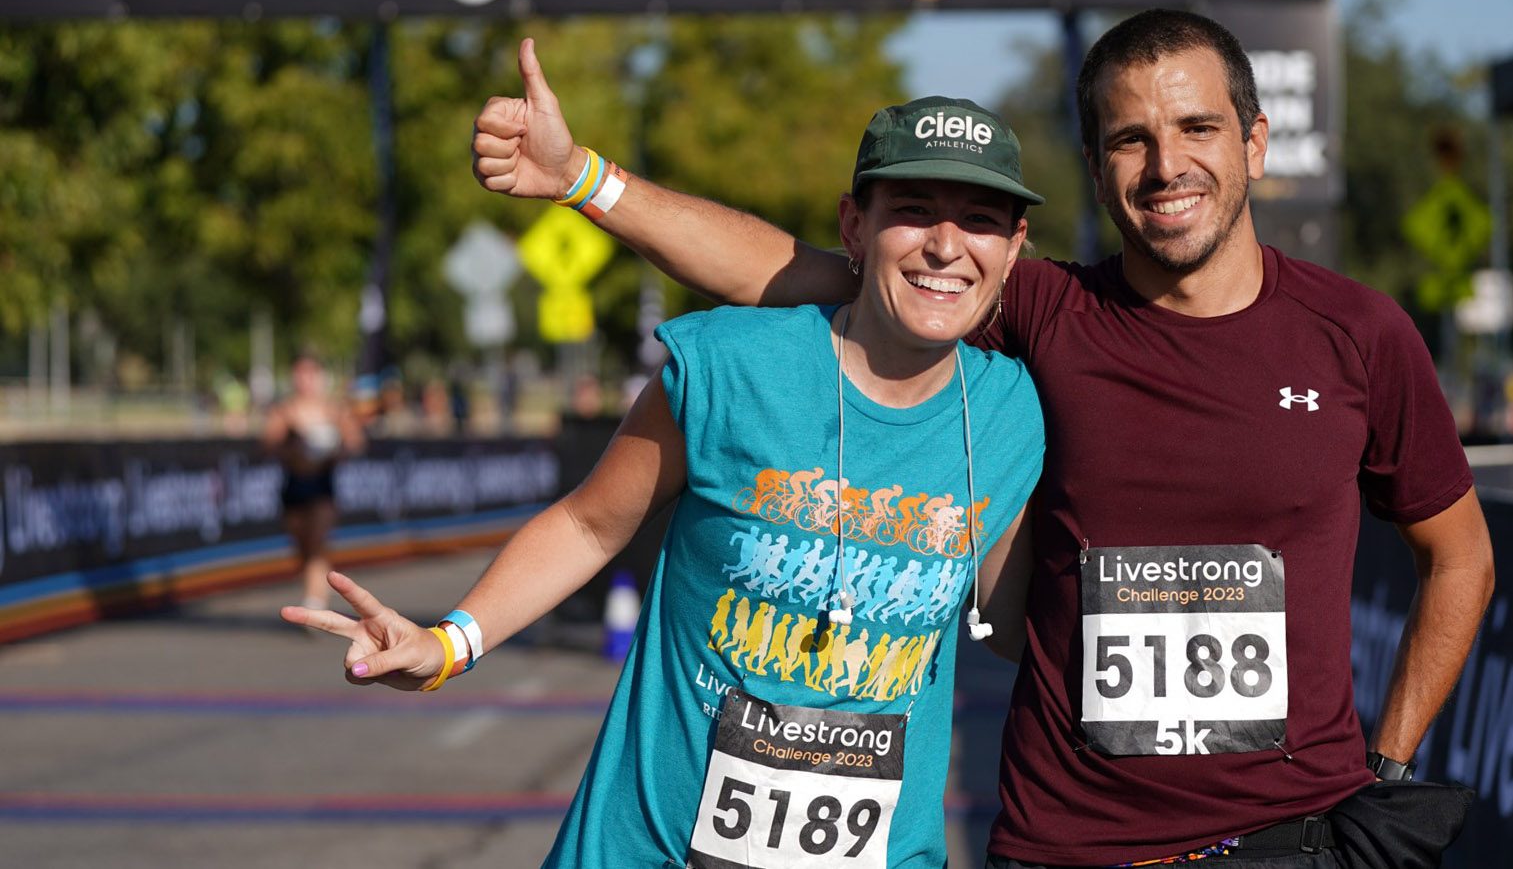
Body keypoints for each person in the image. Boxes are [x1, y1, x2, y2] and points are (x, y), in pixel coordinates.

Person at [470, 17, 1496, 867]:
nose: (1166, 163)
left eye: (1197, 127)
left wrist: (1390, 763)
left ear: (1255, 143)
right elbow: (791, 268)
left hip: (1292, 835)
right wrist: (583, 180)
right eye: (1130, 139)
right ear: (1095, 169)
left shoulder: (1360, 334)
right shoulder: (1039, 309)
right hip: (1070, 840)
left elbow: (1458, 553)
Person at [287, 80, 1049, 868]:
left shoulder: (1016, 409)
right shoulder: (729, 364)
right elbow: (588, 524)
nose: (945, 244)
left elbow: (1016, 614)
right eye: (914, 209)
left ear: (1016, 244)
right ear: (854, 225)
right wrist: (447, 644)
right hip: (644, 850)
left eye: (981, 220)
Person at [263, 353, 364, 611]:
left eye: (310, 374)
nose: (305, 380)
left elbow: (355, 441)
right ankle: (313, 587)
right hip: (294, 484)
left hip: (322, 485)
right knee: (303, 548)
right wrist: (294, 451)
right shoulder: (285, 410)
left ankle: (315, 601)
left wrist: (334, 454)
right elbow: (268, 444)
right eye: (300, 374)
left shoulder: (333, 409)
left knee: (318, 543)